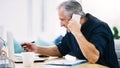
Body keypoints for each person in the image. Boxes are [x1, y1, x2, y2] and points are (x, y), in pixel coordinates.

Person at [21, 0, 119, 68]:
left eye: (62, 20)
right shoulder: (71, 29)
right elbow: (60, 50)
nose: (61, 24)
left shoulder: (99, 27)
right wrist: (37, 49)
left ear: (75, 17)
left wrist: (77, 33)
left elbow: (93, 58)